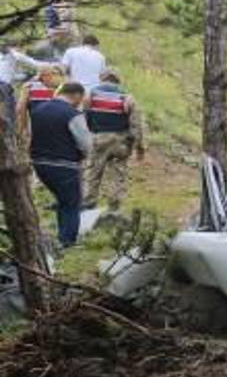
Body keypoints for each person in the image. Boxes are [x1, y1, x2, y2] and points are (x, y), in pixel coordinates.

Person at [30, 81, 92, 247]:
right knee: (71, 203)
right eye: (81, 98)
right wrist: (84, 156)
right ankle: (67, 242)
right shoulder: (72, 114)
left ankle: (62, 235)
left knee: (62, 200)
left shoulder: (38, 110)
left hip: (39, 164)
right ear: (77, 95)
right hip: (64, 164)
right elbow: (86, 143)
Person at [83, 69, 144, 209]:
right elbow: (136, 124)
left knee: (93, 172)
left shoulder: (91, 95)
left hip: (98, 139)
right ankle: (115, 205)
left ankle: (89, 203)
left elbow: (83, 117)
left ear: (102, 79)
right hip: (121, 142)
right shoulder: (126, 98)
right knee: (118, 173)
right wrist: (139, 146)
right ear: (118, 80)